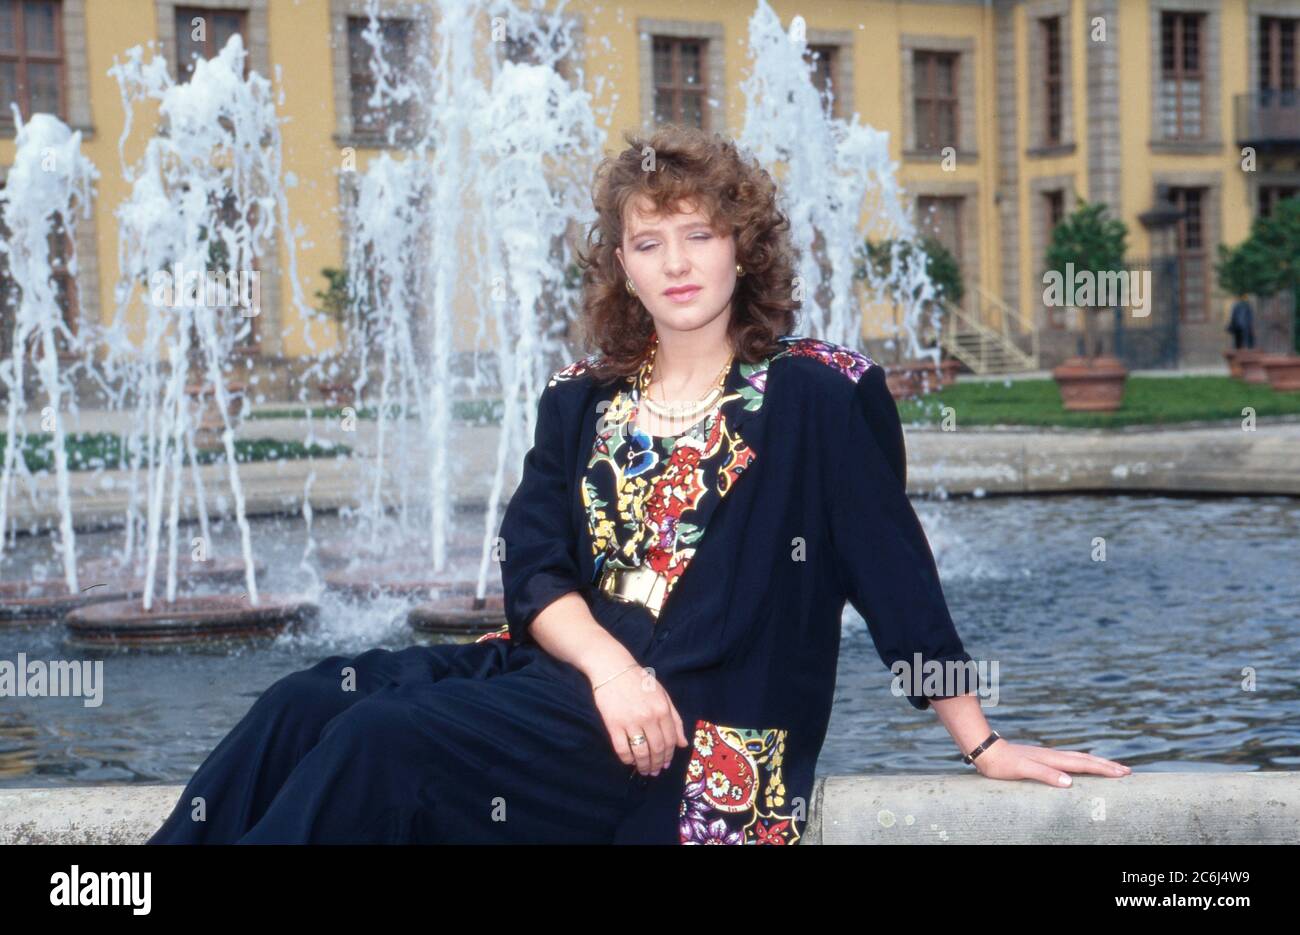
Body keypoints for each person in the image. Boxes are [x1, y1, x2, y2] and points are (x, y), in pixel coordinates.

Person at [147, 125, 1131, 846]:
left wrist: (980, 738)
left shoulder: (818, 391)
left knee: (384, 738)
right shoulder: (580, 397)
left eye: (697, 234)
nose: (676, 262)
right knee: (310, 693)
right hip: (580, 688)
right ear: (621, 260)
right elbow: (529, 569)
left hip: (703, 736)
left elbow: (895, 577)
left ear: (741, 244)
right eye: (649, 241)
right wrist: (610, 668)